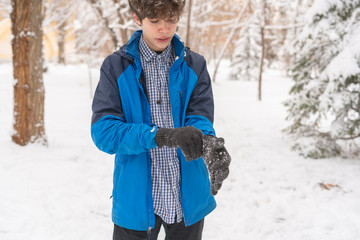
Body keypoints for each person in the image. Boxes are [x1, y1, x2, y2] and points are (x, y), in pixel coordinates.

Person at [90, 0, 230, 239]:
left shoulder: (194, 65)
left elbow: (199, 116)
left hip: (186, 196)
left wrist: (206, 141)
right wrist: (163, 136)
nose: (164, 29)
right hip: (136, 198)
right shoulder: (115, 67)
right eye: (155, 21)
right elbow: (104, 131)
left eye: (171, 20)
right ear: (137, 18)